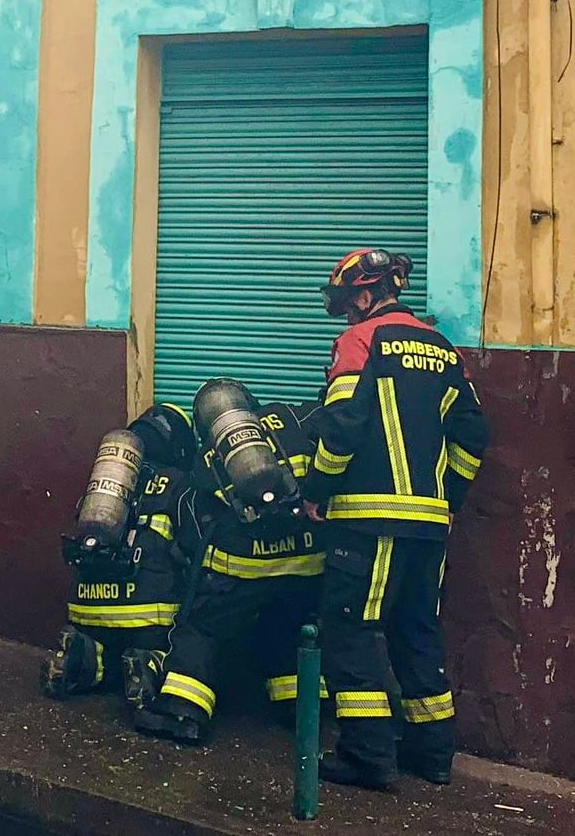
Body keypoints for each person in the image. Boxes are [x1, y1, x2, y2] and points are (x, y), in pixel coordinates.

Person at [305, 248, 487, 791]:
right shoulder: (443, 349)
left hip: (368, 521)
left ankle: (367, 757)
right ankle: (431, 755)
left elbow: (341, 430)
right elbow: (473, 436)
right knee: (416, 630)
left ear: (365, 294)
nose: (345, 315)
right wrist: (448, 496)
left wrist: (318, 490)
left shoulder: (360, 343)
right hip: (430, 525)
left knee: (350, 630)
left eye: (346, 303)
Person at [134, 390, 323, 745]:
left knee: (202, 628)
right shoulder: (289, 421)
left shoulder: (211, 454)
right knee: (286, 627)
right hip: (307, 564)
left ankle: (181, 710)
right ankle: (301, 706)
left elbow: (193, 517)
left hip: (242, 569)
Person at [42, 402, 199, 706]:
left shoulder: (106, 486)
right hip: (148, 617)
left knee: (103, 655)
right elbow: (195, 547)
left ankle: (81, 655)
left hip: (86, 611)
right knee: (183, 652)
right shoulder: (178, 485)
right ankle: (150, 664)